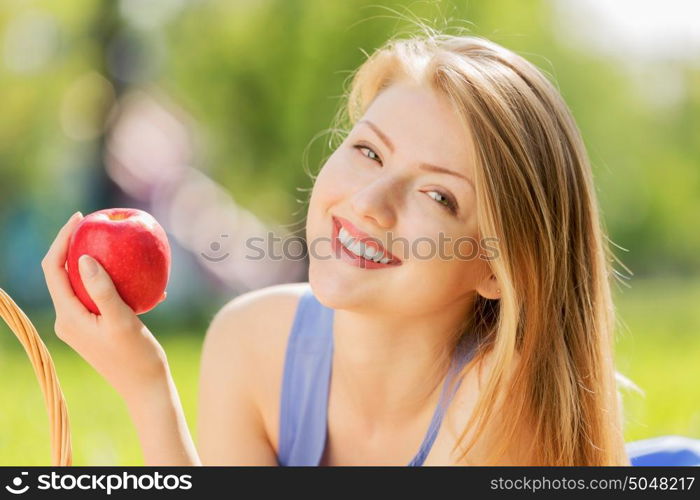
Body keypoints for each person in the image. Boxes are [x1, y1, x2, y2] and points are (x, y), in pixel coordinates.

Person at [41, 30, 632, 466]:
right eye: (369, 151)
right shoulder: (250, 344)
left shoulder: (498, 408)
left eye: (437, 195)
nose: (371, 201)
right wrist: (147, 385)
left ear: (499, 270)